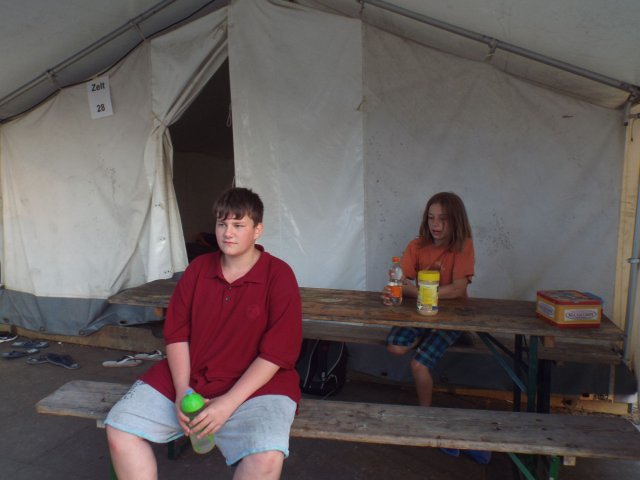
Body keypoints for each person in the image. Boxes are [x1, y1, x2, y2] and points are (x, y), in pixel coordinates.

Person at [105, 187, 303, 480]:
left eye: (238, 225)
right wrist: (182, 391)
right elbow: (177, 334)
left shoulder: (279, 274)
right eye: (222, 224)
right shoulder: (198, 269)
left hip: (258, 385)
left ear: (257, 230)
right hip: (194, 373)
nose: (228, 233)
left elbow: (278, 352)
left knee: (266, 456)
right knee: (120, 429)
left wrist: (228, 403)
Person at [384, 191, 474, 408]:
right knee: (395, 347)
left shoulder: (464, 245)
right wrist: (392, 291)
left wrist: (417, 291)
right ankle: (428, 334)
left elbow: (457, 289)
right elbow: (400, 281)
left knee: (418, 364)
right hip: (420, 311)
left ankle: (425, 414)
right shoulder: (417, 245)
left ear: (456, 220)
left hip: (452, 316)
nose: (435, 224)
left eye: (443, 219)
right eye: (431, 218)